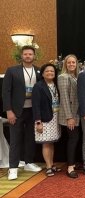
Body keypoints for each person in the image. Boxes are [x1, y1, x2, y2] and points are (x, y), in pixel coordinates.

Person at [2, 45, 42, 180]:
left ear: (34, 56)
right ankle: (13, 167)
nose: (28, 56)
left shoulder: (38, 71)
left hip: (33, 110)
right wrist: (9, 111)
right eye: (25, 54)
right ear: (21, 56)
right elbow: (6, 92)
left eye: (30, 54)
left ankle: (28, 162)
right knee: (15, 139)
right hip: (16, 111)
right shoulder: (12, 70)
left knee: (31, 137)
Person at [32, 63, 61, 177]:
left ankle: (52, 164)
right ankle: (48, 167)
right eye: (47, 71)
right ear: (43, 73)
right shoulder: (38, 86)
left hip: (55, 117)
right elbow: (36, 105)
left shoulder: (55, 84)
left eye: (52, 71)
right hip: (44, 119)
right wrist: (38, 122)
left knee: (51, 142)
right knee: (46, 143)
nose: (50, 73)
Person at [58, 54, 81, 178]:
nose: (71, 64)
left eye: (73, 62)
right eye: (69, 63)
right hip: (70, 115)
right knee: (73, 140)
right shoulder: (63, 77)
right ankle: (70, 167)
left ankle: (74, 162)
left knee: (76, 139)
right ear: (65, 64)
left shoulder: (76, 76)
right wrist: (69, 117)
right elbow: (65, 99)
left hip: (77, 113)